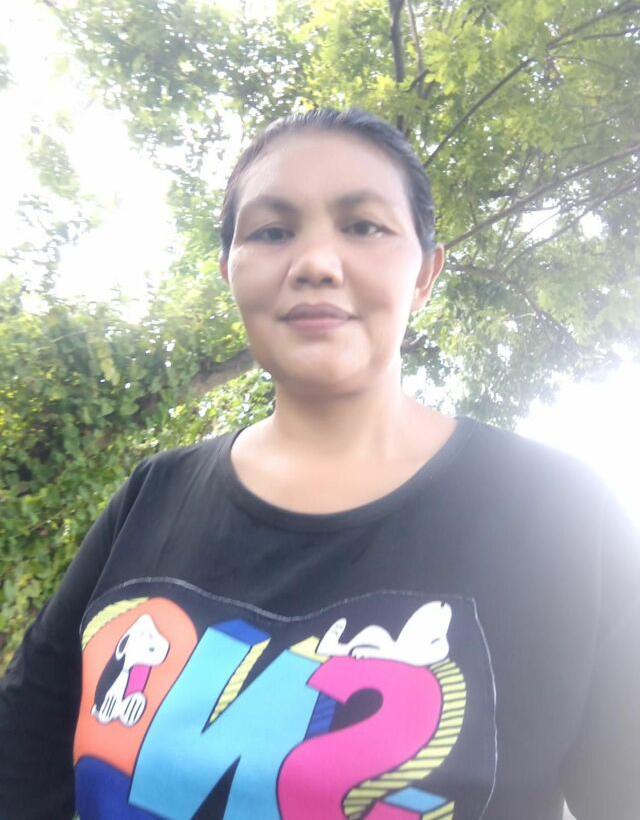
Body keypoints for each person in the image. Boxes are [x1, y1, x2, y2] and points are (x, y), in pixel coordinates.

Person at [1, 107, 639, 820]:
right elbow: (21, 756)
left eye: (363, 226)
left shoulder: (559, 513)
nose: (315, 263)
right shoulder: (155, 496)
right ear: (230, 270)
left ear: (425, 274)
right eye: (272, 231)